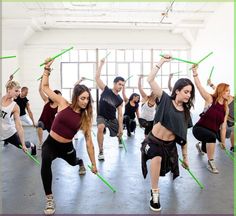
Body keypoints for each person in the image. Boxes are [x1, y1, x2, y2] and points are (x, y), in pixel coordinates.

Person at [41, 59, 97, 215]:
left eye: (87, 99)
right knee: (45, 162)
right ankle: (50, 198)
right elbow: (45, 87)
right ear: (76, 97)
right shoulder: (62, 103)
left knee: (73, 162)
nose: (85, 101)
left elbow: (89, 143)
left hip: (66, 147)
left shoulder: (85, 119)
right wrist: (47, 68)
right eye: (82, 98)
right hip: (51, 144)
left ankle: (80, 162)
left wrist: (93, 164)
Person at [141, 55, 195, 211]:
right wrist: (161, 62)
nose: (188, 95)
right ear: (177, 90)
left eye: (190, 93)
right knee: (156, 158)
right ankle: (155, 193)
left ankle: (157, 185)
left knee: (165, 166)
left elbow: (184, 139)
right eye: (186, 91)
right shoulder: (164, 99)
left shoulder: (186, 114)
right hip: (153, 141)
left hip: (169, 146)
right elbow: (150, 80)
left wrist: (185, 158)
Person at [192, 66, 229, 174]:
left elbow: (223, 127)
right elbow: (199, 87)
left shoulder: (225, 108)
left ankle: (200, 145)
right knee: (211, 138)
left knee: (206, 148)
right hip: (199, 128)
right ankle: (211, 163)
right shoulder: (210, 99)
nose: (228, 93)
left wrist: (222, 142)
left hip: (211, 132)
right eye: (227, 91)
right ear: (221, 91)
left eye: (229, 91)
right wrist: (195, 73)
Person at [96, 58, 125, 160]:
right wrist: (101, 64)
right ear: (114, 83)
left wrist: (121, 127)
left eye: (122, 85)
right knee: (100, 127)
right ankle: (100, 151)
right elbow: (97, 77)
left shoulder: (120, 100)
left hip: (112, 119)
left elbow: (120, 115)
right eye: (119, 84)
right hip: (102, 116)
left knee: (119, 133)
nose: (121, 86)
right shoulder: (106, 90)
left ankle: (119, 139)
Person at [1, 80, 37, 155]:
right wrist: (10, 79)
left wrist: (23, 145)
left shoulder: (15, 107)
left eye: (19, 91)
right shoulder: (1, 99)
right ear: (9, 90)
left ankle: (32, 145)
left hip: (9, 133)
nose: (18, 93)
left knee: (21, 145)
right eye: (16, 90)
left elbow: (19, 126)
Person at [207, 79, 234, 152]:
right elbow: (220, 91)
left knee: (232, 131)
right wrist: (211, 84)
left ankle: (232, 146)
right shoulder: (230, 98)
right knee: (213, 138)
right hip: (223, 122)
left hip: (230, 123)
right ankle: (200, 144)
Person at [37, 78, 61, 150]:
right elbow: (40, 90)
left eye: (60, 96)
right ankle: (40, 143)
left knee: (55, 140)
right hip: (43, 121)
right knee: (39, 125)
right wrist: (41, 81)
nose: (59, 97)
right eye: (58, 95)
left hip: (52, 123)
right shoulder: (47, 100)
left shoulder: (60, 105)